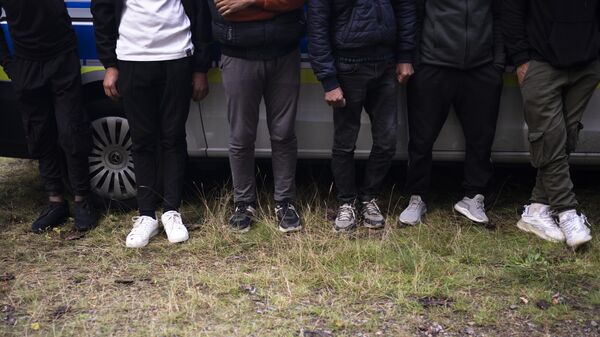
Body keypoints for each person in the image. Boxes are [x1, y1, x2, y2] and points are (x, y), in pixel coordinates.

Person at [91, 0, 211, 247]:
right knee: (142, 140)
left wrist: (200, 67)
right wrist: (110, 64)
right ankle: (146, 215)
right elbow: (102, 11)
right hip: (132, 58)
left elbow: (201, 13)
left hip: (177, 57)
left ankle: (171, 212)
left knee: (174, 137)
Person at [308, 0, 416, 232]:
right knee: (345, 142)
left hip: (386, 66)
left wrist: (405, 55)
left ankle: (369, 198)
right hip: (347, 66)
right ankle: (346, 202)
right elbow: (317, 26)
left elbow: (405, 7)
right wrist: (328, 80)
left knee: (387, 141)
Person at [398, 0, 505, 226]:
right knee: (422, 138)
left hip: (482, 66)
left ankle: (473, 196)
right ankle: (417, 197)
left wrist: (498, 61)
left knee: (481, 137)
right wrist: (413, 57)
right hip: (432, 63)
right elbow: (414, 12)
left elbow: (500, 13)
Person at [504, 0, 599, 248]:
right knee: (550, 135)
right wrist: (521, 58)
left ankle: (536, 209)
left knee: (565, 134)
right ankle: (567, 212)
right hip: (540, 62)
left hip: (587, 63)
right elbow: (510, 9)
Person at [206, 0, 306, 233]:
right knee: (241, 135)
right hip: (238, 55)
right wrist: (276, 7)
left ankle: (285, 202)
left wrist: (250, 2)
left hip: (284, 52)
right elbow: (225, 10)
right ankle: (244, 203)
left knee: (283, 133)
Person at [0, 0, 99, 233]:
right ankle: (55, 202)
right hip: (26, 64)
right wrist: (9, 65)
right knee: (39, 132)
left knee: (71, 130)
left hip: (62, 57)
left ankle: (82, 200)